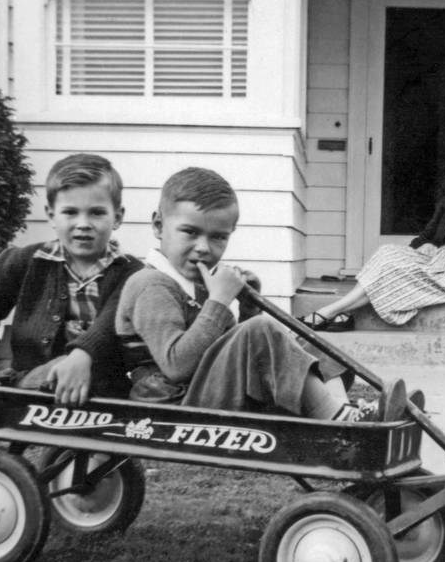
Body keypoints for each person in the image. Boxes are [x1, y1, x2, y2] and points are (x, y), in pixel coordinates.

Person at [114, 167, 408, 422]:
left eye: (218, 237)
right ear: (157, 226)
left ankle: (342, 411)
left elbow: (224, 349)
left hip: (198, 391)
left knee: (304, 341)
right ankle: (342, 422)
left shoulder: (199, 284)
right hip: (171, 407)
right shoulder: (151, 284)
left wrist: (247, 306)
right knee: (262, 330)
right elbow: (177, 365)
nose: (204, 247)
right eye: (190, 232)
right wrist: (219, 303)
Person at [0, 153, 143, 405]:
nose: (83, 223)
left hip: (103, 385)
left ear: (118, 217)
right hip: (35, 379)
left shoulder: (131, 272)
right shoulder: (25, 261)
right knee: (52, 372)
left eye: (97, 213)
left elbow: (109, 325)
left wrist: (81, 356)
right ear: (51, 215)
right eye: (70, 212)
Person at [299, 150, 445, 332]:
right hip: (440, 260)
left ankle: (328, 312)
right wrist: (422, 247)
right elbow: (428, 234)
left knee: (393, 269)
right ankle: (339, 313)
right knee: (388, 254)